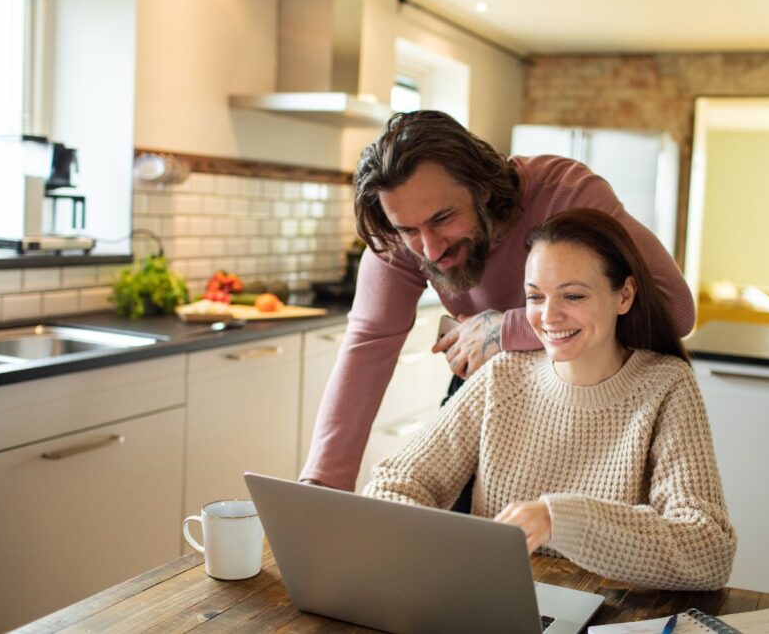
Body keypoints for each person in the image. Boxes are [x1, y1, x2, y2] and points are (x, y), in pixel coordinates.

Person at [301, 110, 696, 491]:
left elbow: (674, 308)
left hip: (593, 395)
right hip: (490, 390)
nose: (430, 249)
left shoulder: (566, 193)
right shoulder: (403, 235)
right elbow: (366, 348)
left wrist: (504, 329)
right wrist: (321, 484)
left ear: (483, 189)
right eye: (408, 230)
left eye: (443, 218)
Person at [363, 208, 736, 591]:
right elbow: (394, 484)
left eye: (573, 295)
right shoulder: (503, 375)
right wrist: (444, 550)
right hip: (495, 603)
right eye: (535, 297)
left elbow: (709, 553)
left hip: (613, 617)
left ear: (624, 296)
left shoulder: (666, 387)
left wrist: (558, 520)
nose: (549, 316)